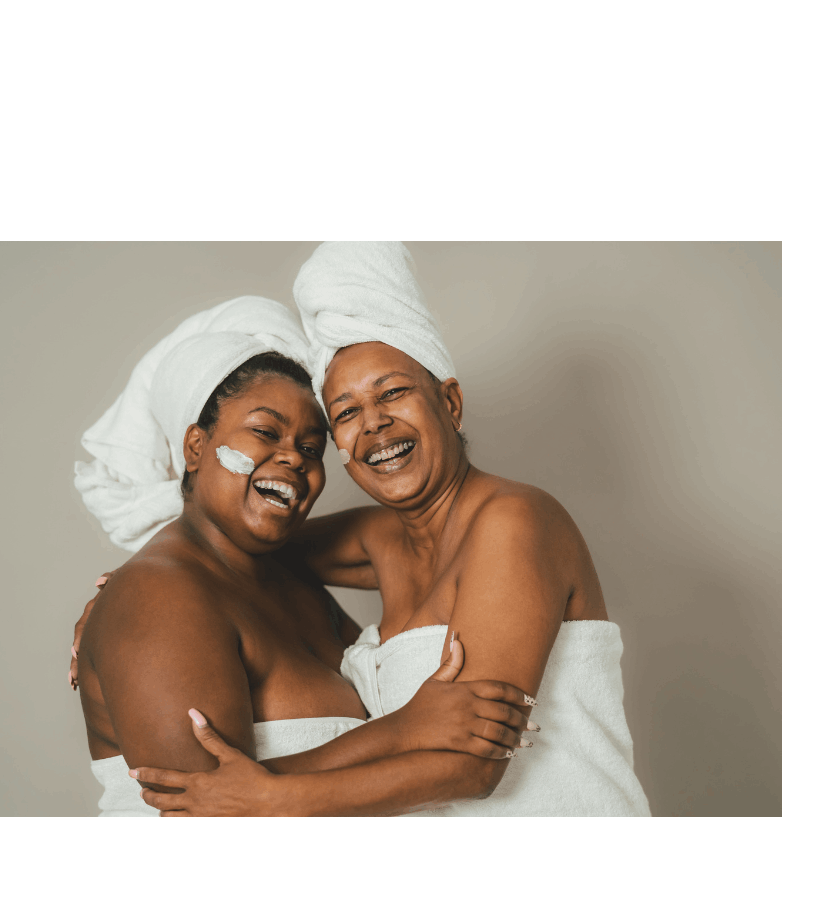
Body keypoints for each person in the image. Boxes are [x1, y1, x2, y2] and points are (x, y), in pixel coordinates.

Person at [128, 243, 650, 816]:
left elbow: (474, 764)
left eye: (393, 392)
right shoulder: (382, 542)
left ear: (449, 402)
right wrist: (144, 581)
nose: (374, 423)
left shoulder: (514, 520)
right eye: (346, 413)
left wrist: (271, 795)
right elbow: (231, 544)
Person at [74, 297, 535, 816]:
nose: (294, 456)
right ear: (196, 447)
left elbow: (443, 532)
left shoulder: (284, 578)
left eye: (313, 447)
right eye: (265, 432)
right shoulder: (159, 597)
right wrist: (403, 730)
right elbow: (202, 806)